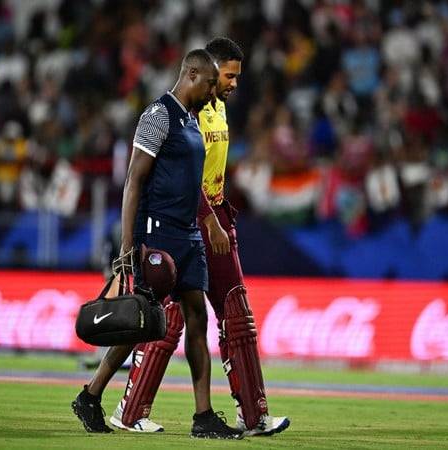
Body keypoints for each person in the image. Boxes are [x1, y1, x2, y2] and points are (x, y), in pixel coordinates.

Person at [109, 37, 290, 436]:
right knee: (182, 317)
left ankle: (244, 413)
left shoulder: (214, 110)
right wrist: (208, 219)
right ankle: (131, 408)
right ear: (205, 73)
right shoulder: (188, 114)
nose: (229, 86)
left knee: (212, 315)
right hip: (189, 222)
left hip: (212, 218)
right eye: (225, 77)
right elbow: (175, 180)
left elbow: (212, 174)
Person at [71, 48, 243, 439]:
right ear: (193, 75)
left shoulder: (191, 119)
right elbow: (133, 180)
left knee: (197, 319)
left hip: (187, 235)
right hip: (158, 234)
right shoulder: (158, 116)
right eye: (212, 83)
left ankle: (203, 417)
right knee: (141, 322)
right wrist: (129, 244)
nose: (215, 91)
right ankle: (91, 395)